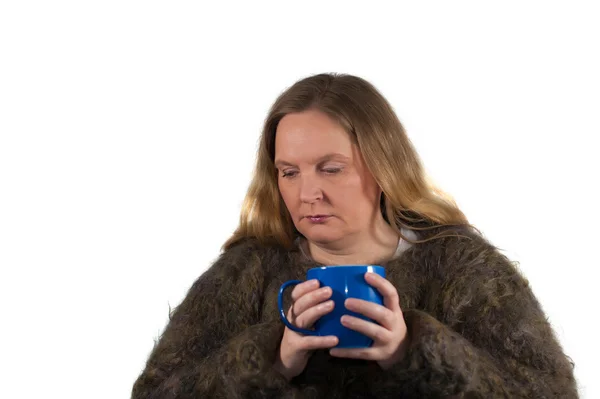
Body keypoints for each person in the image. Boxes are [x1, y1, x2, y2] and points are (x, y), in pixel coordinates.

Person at [131, 73, 578, 398]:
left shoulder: (461, 269)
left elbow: (551, 393)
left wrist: (415, 350)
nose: (308, 193)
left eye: (331, 168)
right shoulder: (249, 270)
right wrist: (272, 356)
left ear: (384, 166)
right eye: (289, 172)